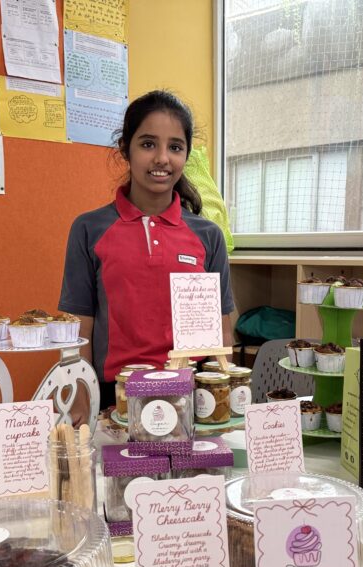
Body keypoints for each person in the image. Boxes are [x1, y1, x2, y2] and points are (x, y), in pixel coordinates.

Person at [58, 90, 234, 427]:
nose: (162, 158)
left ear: (186, 154)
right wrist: (82, 398)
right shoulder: (89, 229)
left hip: (193, 398)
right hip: (115, 402)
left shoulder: (208, 235)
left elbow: (221, 334)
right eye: (148, 144)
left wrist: (223, 402)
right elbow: (77, 327)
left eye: (175, 147)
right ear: (125, 148)